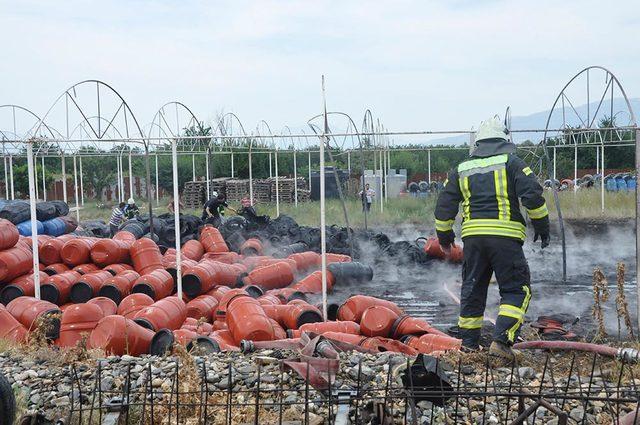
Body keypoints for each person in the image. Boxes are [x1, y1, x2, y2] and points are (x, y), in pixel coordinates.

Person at [434, 115, 550, 361]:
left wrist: (444, 237)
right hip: (505, 238)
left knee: (472, 288)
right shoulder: (513, 162)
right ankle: (501, 342)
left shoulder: (460, 168)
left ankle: (468, 346)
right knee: (516, 290)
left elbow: (444, 205)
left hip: (473, 239)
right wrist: (542, 225)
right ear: (504, 139)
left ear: (478, 142)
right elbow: (532, 195)